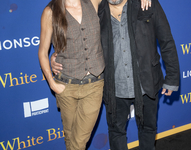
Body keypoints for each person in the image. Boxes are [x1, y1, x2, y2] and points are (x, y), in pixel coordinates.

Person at [38, 0, 151, 149]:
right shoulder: (50, 11)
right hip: (66, 87)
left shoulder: (93, 1)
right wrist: (53, 84)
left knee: (79, 141)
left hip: (94, 86)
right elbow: (42, 51)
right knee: (70, 135)